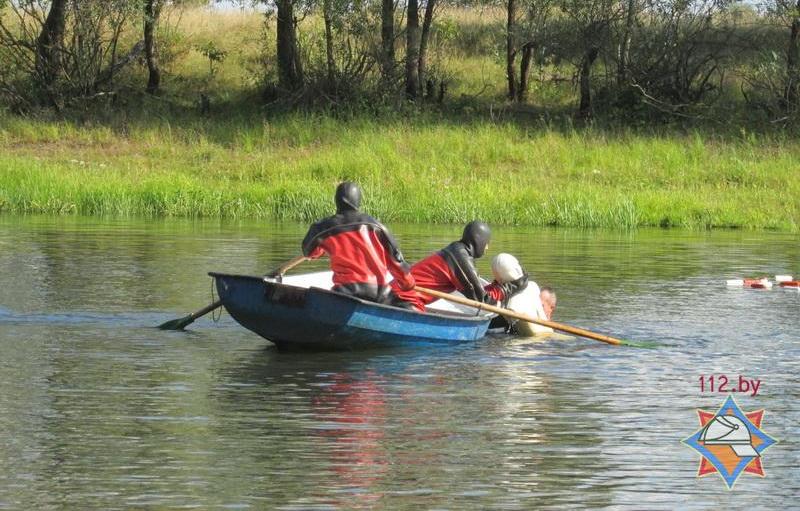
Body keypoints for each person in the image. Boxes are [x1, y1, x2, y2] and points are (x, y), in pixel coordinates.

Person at [302, 181, 415, 303]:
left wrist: (322, 249)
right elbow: (398, 264)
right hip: (378, 293)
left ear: (336, 201)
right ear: (358, 201)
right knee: (405, 305)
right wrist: (408, 284)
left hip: (344, 292)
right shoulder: (378, 227)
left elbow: (308, 252)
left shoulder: (323, 228)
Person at [390, 221, 528, 312]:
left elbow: (476, 292)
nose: (487, 247)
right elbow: (483, 300)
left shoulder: (456, 252)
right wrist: (512, 287)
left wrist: (497, 287)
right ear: (478, 241)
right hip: (402, 299)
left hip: (395, 293)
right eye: (486, 242)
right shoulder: (460, 259)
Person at [490, 253, 557, 336]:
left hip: (522, 342)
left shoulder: (509, 303)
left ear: (499, 278)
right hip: (541, 336)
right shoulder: (533, 286)